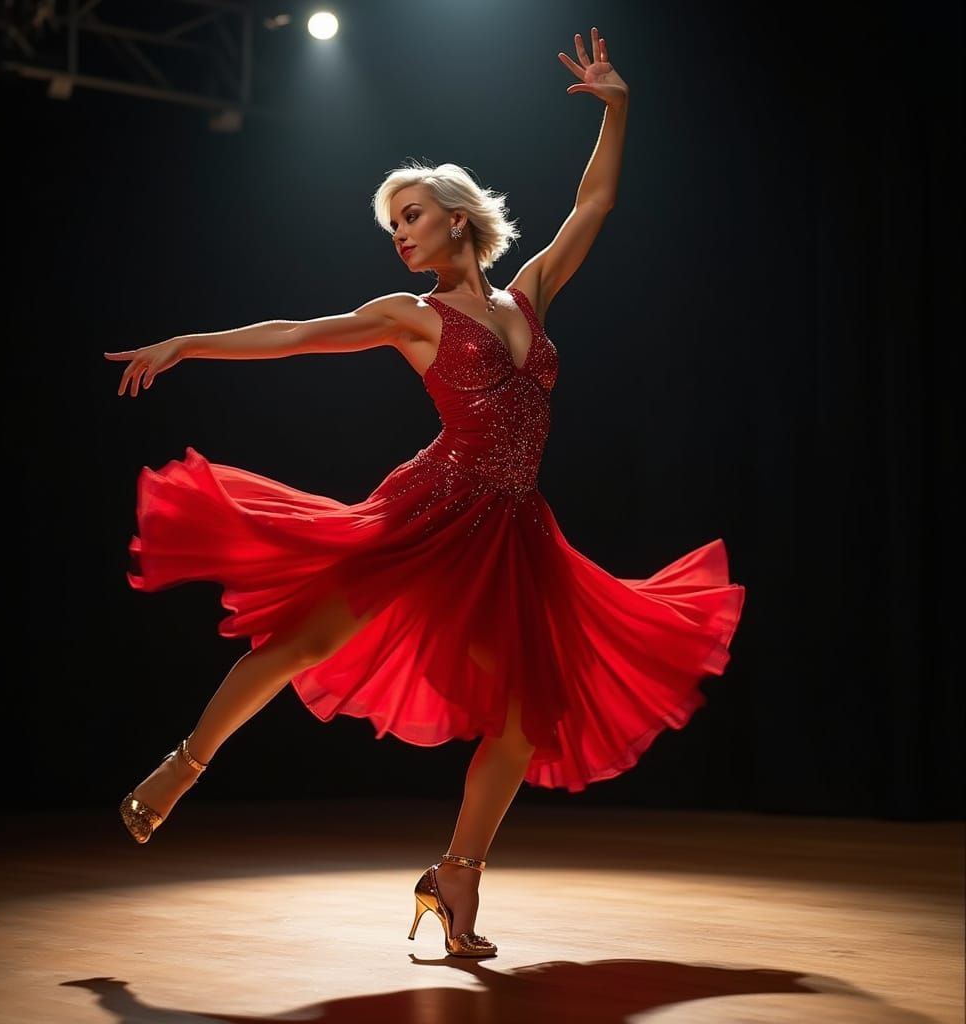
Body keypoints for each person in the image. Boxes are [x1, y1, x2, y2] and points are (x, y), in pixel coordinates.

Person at [104, 28, 745, 959]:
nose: (399, 231)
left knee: (526, 723)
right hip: (435, 505)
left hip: (517, 531)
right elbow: (295, 336)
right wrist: (188, 344)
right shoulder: (410, 316)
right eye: (390, 223)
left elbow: (593, 203)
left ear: (456, 213)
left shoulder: (530, 294)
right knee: (307, 639)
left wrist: (619, 108)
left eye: (410, 213)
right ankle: (184, 764)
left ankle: (455, 881)